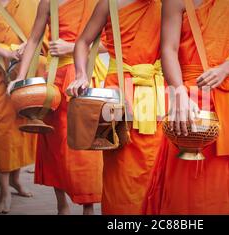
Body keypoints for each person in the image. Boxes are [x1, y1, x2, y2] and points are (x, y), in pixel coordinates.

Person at [142, 0, 229, 215]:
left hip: (226, 97)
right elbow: (168, 49)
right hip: (189, 98)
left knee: (227, 183)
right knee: (185, 181)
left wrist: (225, 69)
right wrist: (178, 92)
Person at [66, 0, 165, 215]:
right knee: (120, 166)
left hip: (156, 92)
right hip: (119, 93)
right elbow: (83, 42)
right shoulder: (109, 4)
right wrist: (82, 74)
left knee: (156, 165)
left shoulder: (168, 3)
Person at [12, 0, 103, 215]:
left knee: (85, 147)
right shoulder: (48, 2)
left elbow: (110, 41)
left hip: (84, 78)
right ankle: (61, 205)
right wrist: (21, 77)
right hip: (55, 78)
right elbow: (34, 39)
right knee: (54, 143)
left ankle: (88, 207)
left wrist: (72, 46)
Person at [0, 0, 45, 214]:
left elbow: (42, 30)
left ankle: (16, 179)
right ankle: (4, 191)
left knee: (22, 126)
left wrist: (27, 47)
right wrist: (6, 53)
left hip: (26, 65)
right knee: (2, 128)